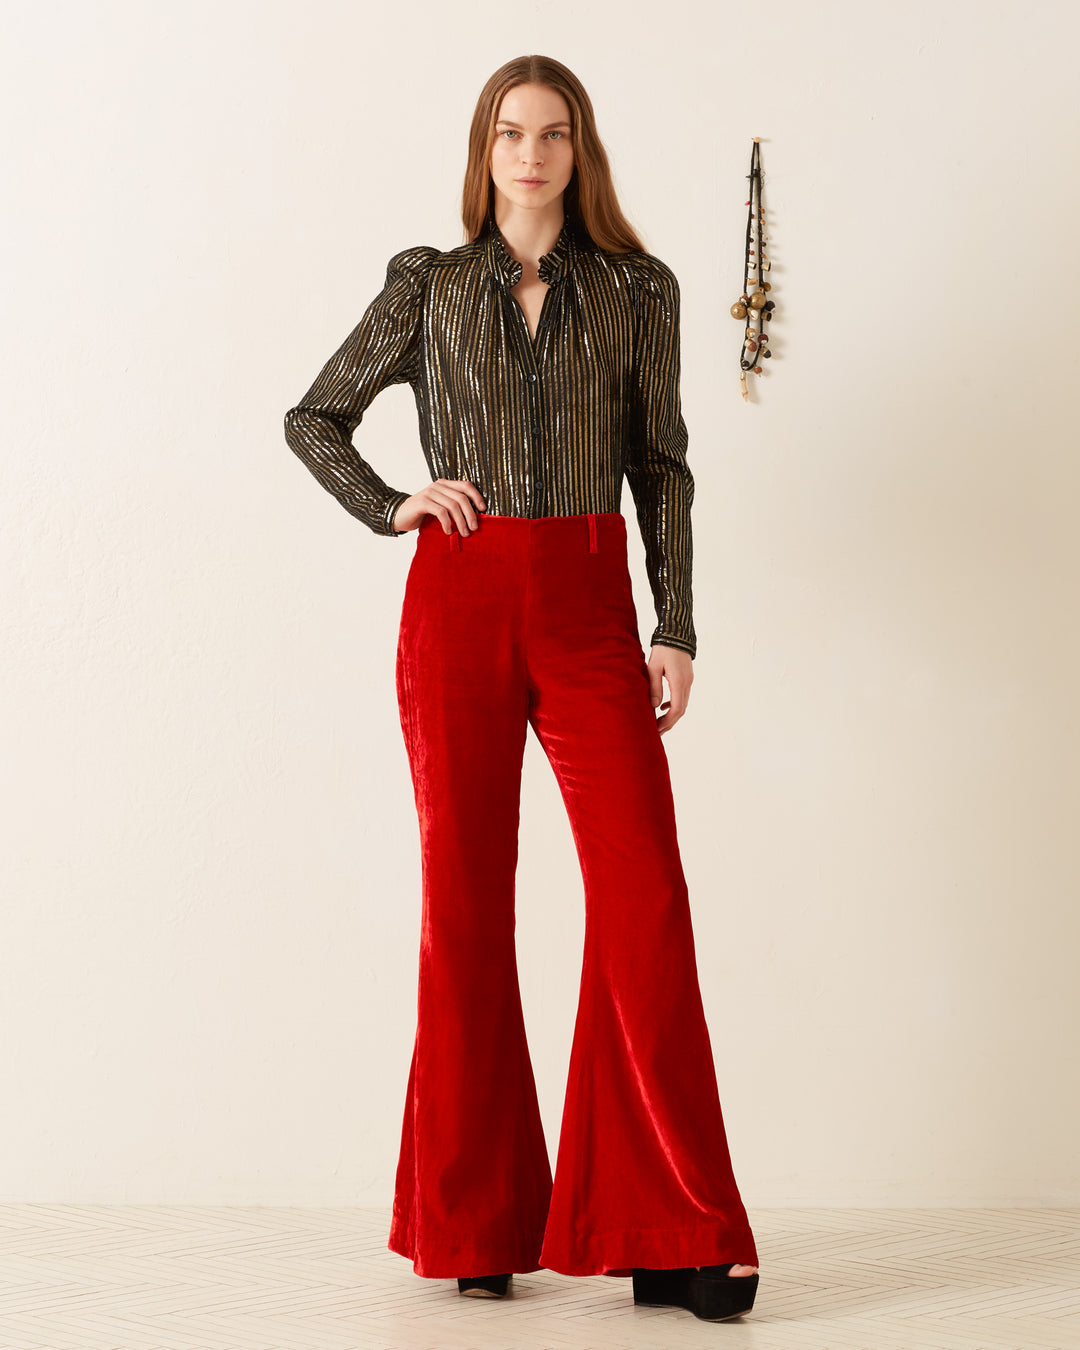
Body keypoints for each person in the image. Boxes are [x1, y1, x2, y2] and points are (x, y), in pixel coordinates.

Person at [283, 54, 761, 1324]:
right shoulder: (428, 287)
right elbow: (316, 417)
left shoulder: (637, 292)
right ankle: (474, 1217)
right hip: (461, 601)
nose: (532, 154)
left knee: (645, 897)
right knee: (466, 907)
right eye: (510, 133)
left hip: (594, 604)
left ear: (580, 150)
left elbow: (662, 465)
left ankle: (672, 1228)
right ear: (484, 150)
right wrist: (396, 505)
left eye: (552, 134)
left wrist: (677, 624)